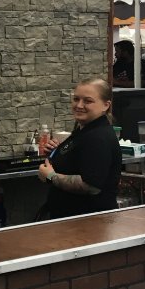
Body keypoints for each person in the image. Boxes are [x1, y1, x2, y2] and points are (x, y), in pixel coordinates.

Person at [37, 79, 121, 219]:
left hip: (87, 223)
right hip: (68, 219)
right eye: (76, 99)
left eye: (87, 101)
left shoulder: (98, 137)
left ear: (105, 105)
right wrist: (57, 151)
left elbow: (91, 186)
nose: (79, 105)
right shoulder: (84, 130)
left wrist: (51, 176)